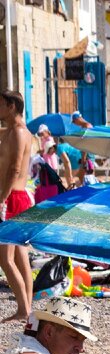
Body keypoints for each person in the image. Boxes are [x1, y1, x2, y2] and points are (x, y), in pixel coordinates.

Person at [0, 91, 34, 324]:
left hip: (12, 198)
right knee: (21, 257)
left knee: (5, 259)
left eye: (0, 105)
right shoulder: (13, 131)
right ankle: (27, 309)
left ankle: (23, 309)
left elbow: (14, 168)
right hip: (16, 197)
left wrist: (2, 199)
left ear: (11, 106)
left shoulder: (19, 132)